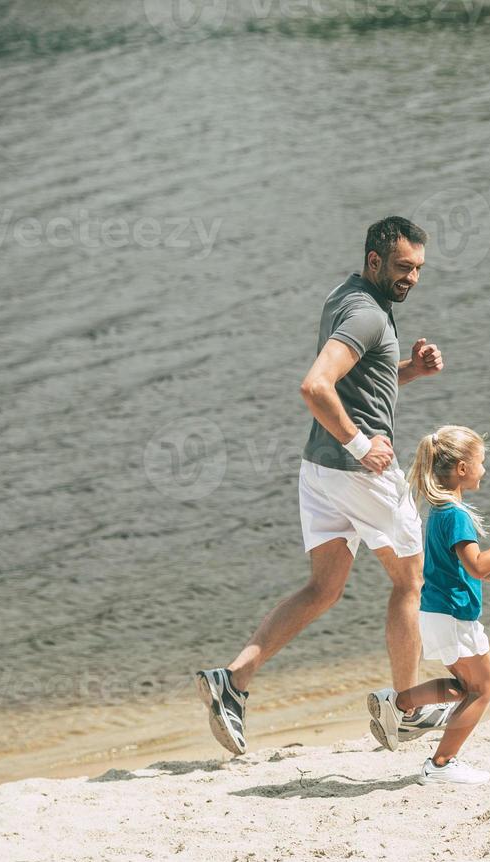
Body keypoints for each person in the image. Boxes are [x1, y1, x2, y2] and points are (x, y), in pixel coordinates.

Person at [195, 216, 453, 755]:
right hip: (360, 473)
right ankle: (405, 708)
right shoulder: (365, 314)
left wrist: (407, 370)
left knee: (323, 588)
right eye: (404, 267)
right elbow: (315, 386)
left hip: (319, 470)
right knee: (411, 581)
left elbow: (357, 378)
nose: (413, 279)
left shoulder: (349, 295)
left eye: (420, 269)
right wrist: (362, 445)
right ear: (375, 260)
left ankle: (233, 681)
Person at [367, 425, 490, 786]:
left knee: (462, 688)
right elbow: (474, 564)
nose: (484, 470)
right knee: (483, 690)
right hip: (456, 617)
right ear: (461, 468)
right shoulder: (456, 514)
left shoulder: (440, 512)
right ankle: (441, 763)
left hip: (437, 613)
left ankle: (399, 703)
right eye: (481, 462)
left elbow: (454, 569)